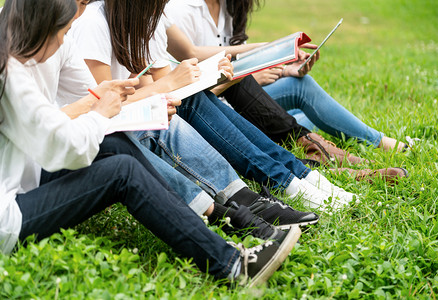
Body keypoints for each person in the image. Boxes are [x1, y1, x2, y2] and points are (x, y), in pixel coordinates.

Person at [0, 0, 301, 286]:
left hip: (28, 174)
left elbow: (89, 98)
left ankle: (222, 215)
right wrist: (100, 112)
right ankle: (231, 263)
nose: (66, 41)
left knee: (114, 142)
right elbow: (67, 149)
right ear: (39, 24)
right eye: (62, 33)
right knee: (122, 172)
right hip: (10, 218)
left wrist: (107, 103)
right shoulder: (11, 76)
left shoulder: (27, 53)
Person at [71, 0, 360, 211]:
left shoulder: (149, 19)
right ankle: (289, 180)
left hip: (148, 114)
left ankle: (298, 175)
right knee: (192, 100)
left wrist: (207, 74)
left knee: (196, 97)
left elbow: (156, 87)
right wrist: (173, 83)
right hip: (105, 130)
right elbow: (108, 106)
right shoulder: (96, 23)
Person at [164, 0, 410, 157]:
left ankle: (363, 139)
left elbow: (244, 65)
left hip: (243, 92)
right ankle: (377, 142)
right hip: (212, 103)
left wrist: (283, 69)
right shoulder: (181, 8)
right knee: (299, 108)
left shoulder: (230, 6)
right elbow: (191, 65)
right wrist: (270, 50)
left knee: (299, 87)